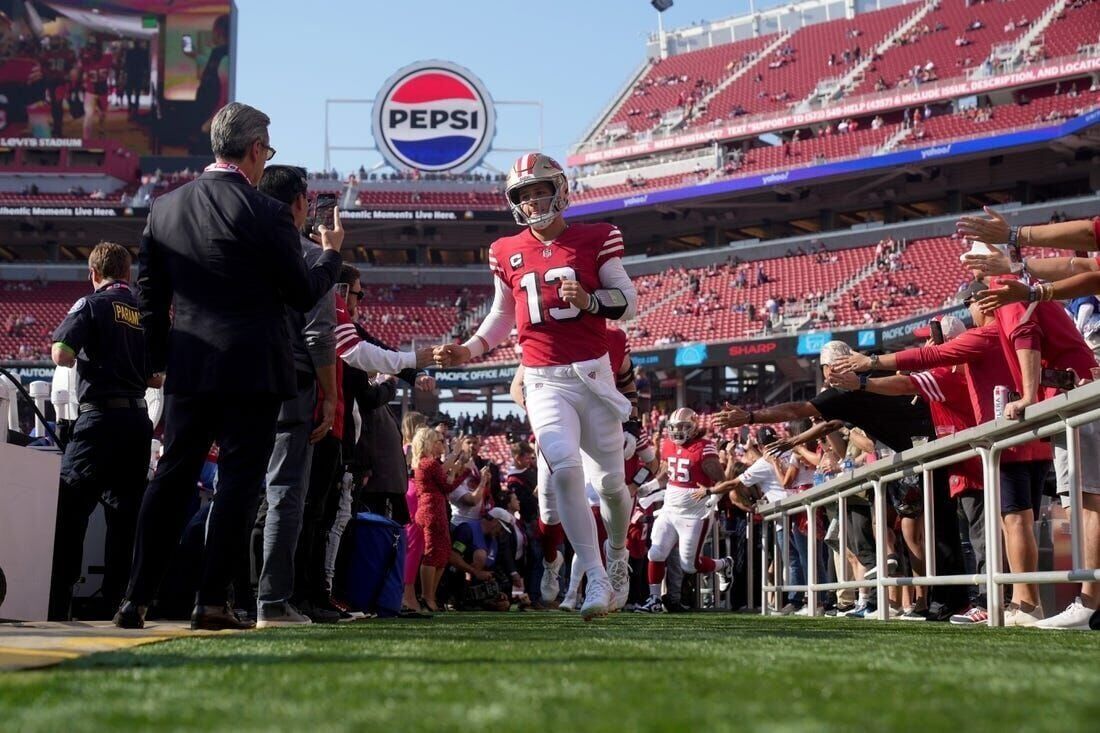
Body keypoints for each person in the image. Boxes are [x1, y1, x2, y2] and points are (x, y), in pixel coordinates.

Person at [115, 102, 343, 630]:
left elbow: (150, 298)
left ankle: (136, 597)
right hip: (253, 368)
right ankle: (211, 602)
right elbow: (302, 290)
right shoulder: (267, 212)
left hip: (190, 366)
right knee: (239, 484)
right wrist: (330, 256)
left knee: (172, 477)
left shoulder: (165, 208)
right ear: (258, 149)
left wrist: (159, 359)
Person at [434, 153, 637, 621]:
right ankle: (595, 580)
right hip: (543, 378)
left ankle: (619, 556)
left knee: (609, 485)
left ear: (561, 190)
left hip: (592, 373)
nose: (532, 201)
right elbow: (503, 313)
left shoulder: (597, 236)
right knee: (564, 468)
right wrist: (470, 348)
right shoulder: (505, 249)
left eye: (540, 191)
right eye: (523, 195)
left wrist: (590, 300)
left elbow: (627, 303)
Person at [713, 341, 968, 621]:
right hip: (931, 445)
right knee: (933, 530)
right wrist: (797, 440)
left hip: (933, 445)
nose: (826, 377)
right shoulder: (866, 373)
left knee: (937, 530)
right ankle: (937, 599)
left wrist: (750, 416)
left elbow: (798, 410)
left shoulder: (853, 383)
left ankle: (950, 599)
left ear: (834, 366)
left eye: (825, 370)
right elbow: (831, 422)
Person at [245, 165, 341, 627]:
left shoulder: (239, 249)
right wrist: (331, 395)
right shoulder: (307, 255)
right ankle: (272, 602)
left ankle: (226, 596)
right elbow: (319, 335)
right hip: (292, 384)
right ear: (300, 202)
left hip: (241, 380)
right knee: (284, 494)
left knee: (240, 491)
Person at [47, 242, 154, 621]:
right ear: (127, 273)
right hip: (138, 423)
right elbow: (157, 376)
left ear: (93, 274)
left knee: (70, 509)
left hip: (99, 421)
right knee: (124, 521)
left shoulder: (91, 304)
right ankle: (117, 604)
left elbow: (62, 352)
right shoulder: (145, 311)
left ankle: (57, 604)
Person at [638, 408, 734, 613]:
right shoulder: (668, 445)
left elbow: (723, 482)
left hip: (694, 514)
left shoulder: (704, 448)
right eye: (674, 427)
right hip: (670, 510)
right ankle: (654, 599)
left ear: (693, 427)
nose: (678, 431)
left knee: (690, 565)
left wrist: (711, 495)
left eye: (683, 427)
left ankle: (723, 564)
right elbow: (666, 474)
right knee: (655, 553)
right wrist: (648, 487)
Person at [412, 427, 469, 613]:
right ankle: (427, 597)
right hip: (430, 511)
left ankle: (431, 596)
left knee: (442, 553)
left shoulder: (431, 464)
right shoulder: (427, 463)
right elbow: (445, 479)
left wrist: (458, 471)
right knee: (432, 553)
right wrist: (456, 455)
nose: (442, 444)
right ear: (428, 443)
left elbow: (446, 485)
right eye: (438, 441)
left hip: (438, 510)